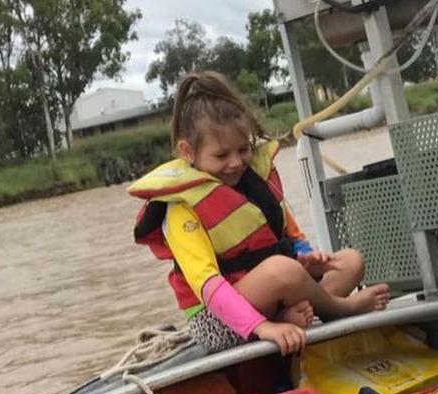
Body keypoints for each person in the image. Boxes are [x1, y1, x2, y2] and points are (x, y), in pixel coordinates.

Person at [129, 71, 390, 356]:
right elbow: (208, 286)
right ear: (187, 151)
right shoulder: (180, 208)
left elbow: (290, 234)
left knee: (351, 261)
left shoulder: (255, 182)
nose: (235, 163)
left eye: (243, 150)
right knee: (283, 271)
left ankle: (290, 314)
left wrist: (307, 257)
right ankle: (339, 309)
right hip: (217, 321)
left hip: (273, 291)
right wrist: (264, 328)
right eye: (221, 155)